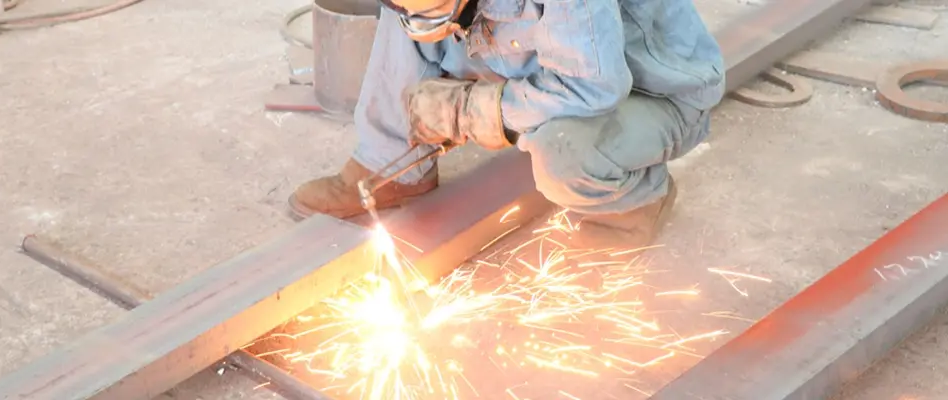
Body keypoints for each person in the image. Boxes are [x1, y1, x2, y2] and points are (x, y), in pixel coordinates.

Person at [287, 0, 725, 249]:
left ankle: (632, 208)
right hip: (548, 56)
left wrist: (473, 111)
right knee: (411, 15)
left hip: (646, 93)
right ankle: (391, 164)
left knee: (562, 152)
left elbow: (595, 86)